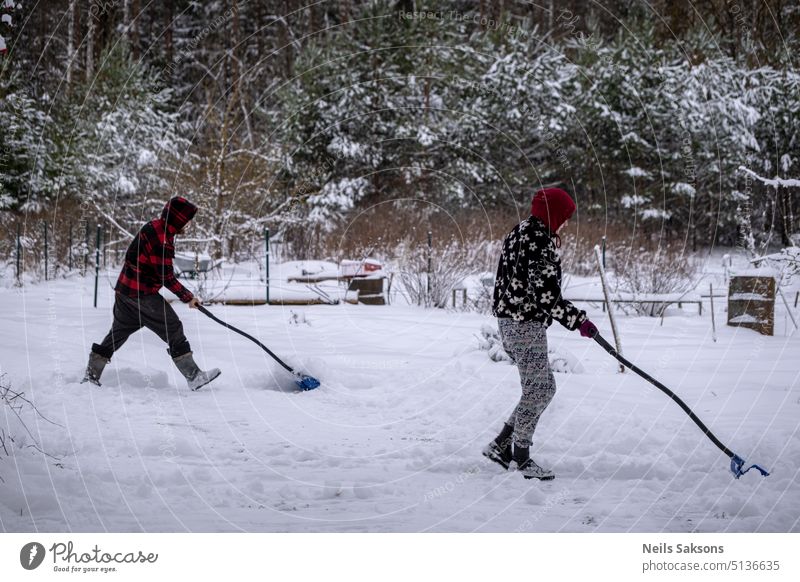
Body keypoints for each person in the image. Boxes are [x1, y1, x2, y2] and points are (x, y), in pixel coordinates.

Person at [483, 187, 598, 480]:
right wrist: (578, 321)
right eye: (564, 217)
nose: (566, 223)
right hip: (524, 324)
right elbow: (546, 296)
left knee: (539, 388)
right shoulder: (537, 240)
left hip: (512, 321)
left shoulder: (521, 231)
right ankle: (520, 456)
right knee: (540, 389)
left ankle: (502, 444)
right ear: (553, 214)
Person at [82, 196, 221, 391]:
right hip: (141, 294)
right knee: (172, 327)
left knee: (118, 332)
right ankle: (194, 376)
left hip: (124, 292)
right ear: (178, 219)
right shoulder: (162, 239)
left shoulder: (155, 227)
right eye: (186, 220)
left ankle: (91, 376)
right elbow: (167, 277)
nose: (188, 225)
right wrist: (189, 298)